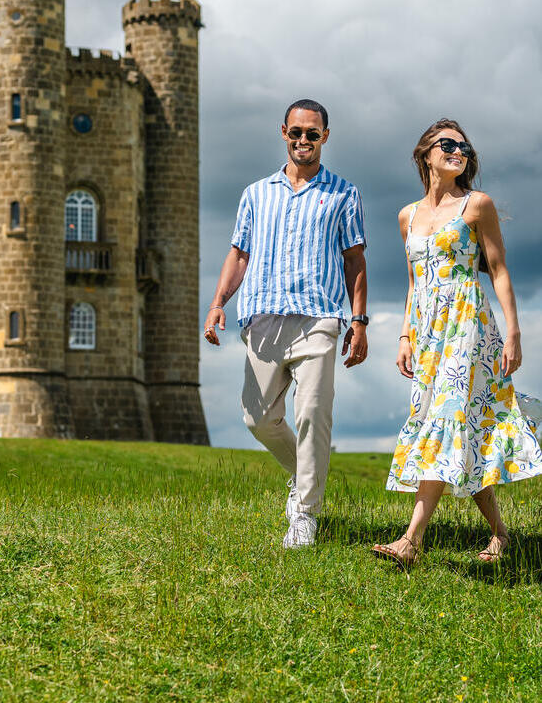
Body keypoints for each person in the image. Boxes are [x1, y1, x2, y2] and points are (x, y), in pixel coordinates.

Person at [373, 118, 542, 567]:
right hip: (428, 333)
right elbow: (413, 283)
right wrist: (405, 335)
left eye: (464, 147)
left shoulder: (476, 205)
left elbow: (500, 269)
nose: (458, 151)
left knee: (447, 419)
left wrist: (515, 332)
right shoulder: (407, 215)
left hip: (467, 323)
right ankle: (501, 535)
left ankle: (411, 541)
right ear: (424, 153)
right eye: (447, 144)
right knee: (456, 427)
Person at [204, 99, 368, 549]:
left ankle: (305, 514)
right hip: (263, 317)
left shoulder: (343, 194)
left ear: (325, 138)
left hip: (319, 317)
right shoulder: (255, 194)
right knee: (257, 418)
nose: (303, 140)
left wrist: (359, 321)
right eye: (296, 132)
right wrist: (218, 302)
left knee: (313, 413)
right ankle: (304, 475)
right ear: (283, 132)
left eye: (312, 134)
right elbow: (239, 254)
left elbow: (355, 259)